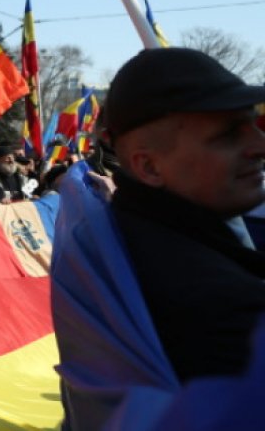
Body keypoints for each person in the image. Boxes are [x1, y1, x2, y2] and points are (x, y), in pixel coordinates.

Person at [94, 47, 265, 384]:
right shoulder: (224, 307)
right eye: (229, 135)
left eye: (254, 124)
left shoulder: (122, 232)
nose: (261, 145)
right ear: (149, 167)